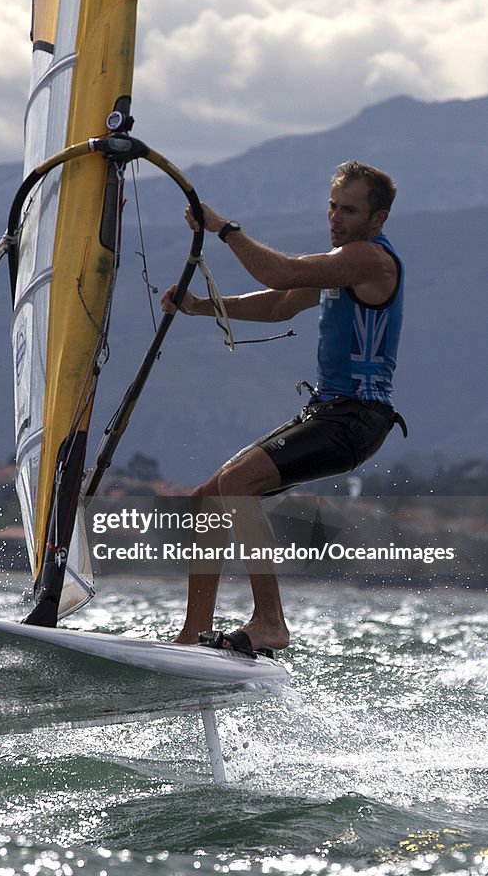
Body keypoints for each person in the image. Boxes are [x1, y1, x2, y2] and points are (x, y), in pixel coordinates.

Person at [160, 160, 405, 656]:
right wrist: (204, 307)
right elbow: (279, 302)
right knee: (209, 496)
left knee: (237, 484)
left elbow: (280, 270)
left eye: (350, 211)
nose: (336, 218)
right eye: (333, 206)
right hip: (328, 413)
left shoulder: (370, 261)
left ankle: (269, 622)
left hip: (357, 417)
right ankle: (193, 636)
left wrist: (223, 228)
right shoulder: (341, 264)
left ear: (377, 220)